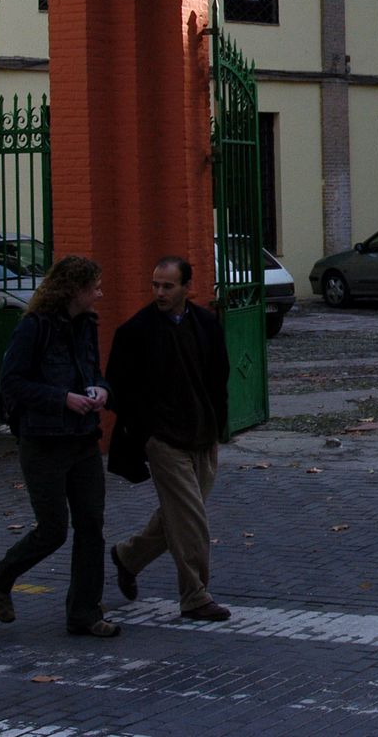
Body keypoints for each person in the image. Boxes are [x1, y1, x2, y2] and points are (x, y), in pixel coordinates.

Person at [0, 254, 118, 638]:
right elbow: (12, 383)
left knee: (91, 524)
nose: (100, 294)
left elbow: (95, 372)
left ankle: (84, 612)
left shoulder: (86, 325)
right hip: (43, 442)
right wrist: (63, 399)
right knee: (54, 528)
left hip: (82, 439)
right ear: (74, 290)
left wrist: (99, 391)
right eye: (94, 288)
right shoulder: (34, 328)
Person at [106, 256, 232, 621]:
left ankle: (128, 556)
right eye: (155, 285)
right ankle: (195, 596)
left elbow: (218, 379)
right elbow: (119, 387)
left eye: (168, 286)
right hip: (164, 440)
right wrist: (145, 433)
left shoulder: (206, 325)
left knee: (180, 515)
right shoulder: (136, 332)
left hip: (202, 435)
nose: (159, 292)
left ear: (186, 288)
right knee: (191, 518)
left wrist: (217, 429)